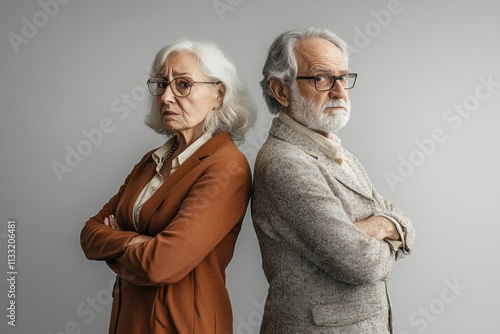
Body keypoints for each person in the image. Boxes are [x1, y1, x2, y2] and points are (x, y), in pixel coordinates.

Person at [80, 39, 256, 334]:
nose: (166, 97)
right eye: (161, 84)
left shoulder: (227, 168)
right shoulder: (152, 160)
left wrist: (116, 239)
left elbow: (161, 264)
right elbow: (89, 233)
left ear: (218, 94)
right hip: (129, 321)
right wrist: (133, 242)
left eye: (183, 85)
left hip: (182, 324)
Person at [252, 26, 416, 333]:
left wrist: (382, 226)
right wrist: (384, 227)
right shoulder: (284, 162)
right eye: (322, 78)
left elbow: (406, 223)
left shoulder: (339, 153)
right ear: (281, 91)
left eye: (343, 77)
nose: (340, 91)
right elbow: (359, 263)